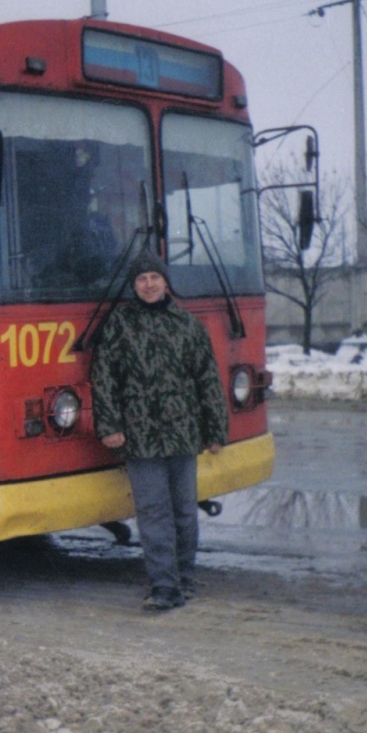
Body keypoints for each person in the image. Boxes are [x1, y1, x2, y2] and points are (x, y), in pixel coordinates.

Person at [90, 249, 228, 612]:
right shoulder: (120, 324)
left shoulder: (187, 325)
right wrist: (110, 427)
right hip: (140, 437)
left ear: (166, 282)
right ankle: (164, 585)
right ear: (133, 286)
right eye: (141, 279)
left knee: (184, 511)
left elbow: (208, 379)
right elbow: (103, 377)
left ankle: (184, 577)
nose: (148, 285)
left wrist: (215, 430)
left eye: (154, 278)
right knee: (153, 513)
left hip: (183, 433)